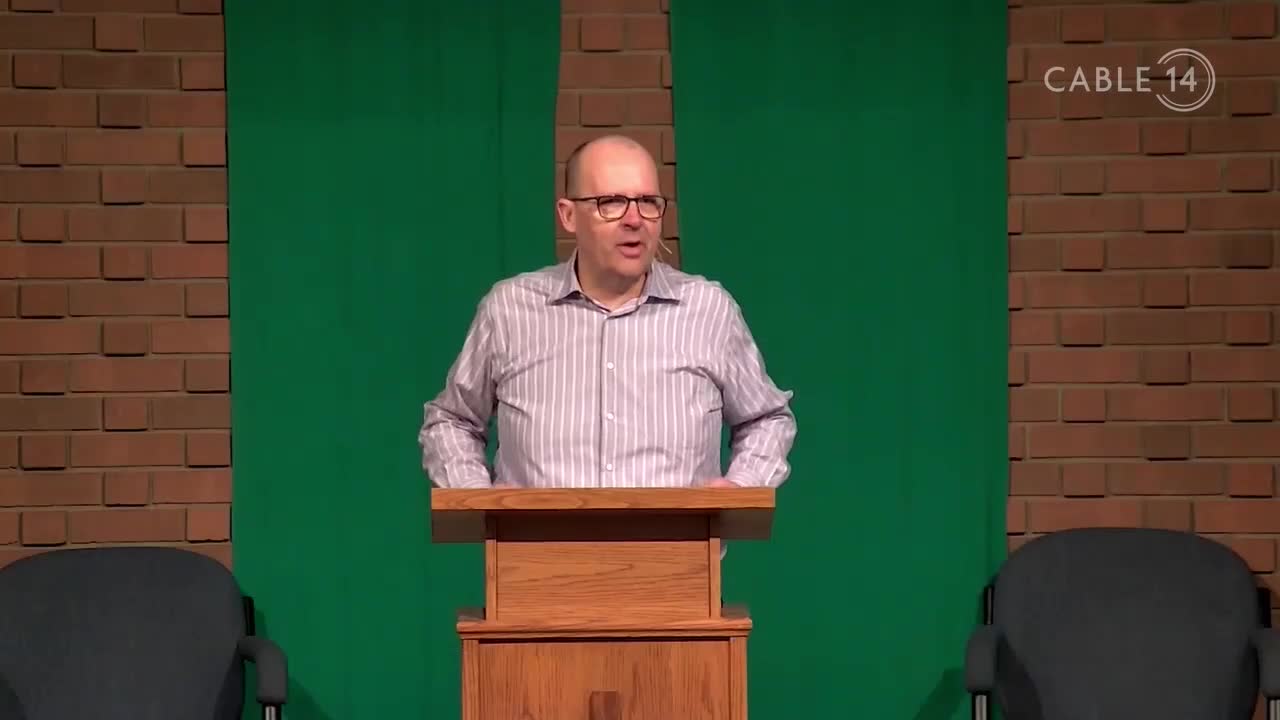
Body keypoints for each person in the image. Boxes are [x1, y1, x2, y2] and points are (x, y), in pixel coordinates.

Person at [418, 134, 796, 490]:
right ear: (568, 215)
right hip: (537, 557)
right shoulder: (509, 310)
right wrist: (479, 500)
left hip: (676, 557)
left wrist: (740, 488)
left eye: (648, 202)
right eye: (611, 202)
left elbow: (766, 419)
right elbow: (452, 421)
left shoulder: (709, 311)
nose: (634, 219)